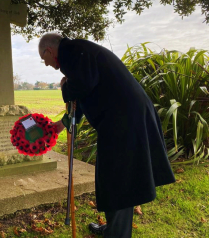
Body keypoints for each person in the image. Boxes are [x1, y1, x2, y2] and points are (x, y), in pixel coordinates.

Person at [39, 33, 176, 238]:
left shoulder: (71, 52)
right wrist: (64, 123)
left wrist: (65, 86)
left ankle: (117, 233)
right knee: (114, 177)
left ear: (49, 51)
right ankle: (114, 228)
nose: (46, 64)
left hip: (125, 119)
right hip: (127, 116)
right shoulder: (77, 51)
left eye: (44, 59)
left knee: (118, 178)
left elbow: (82, 85)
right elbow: (85, 92)